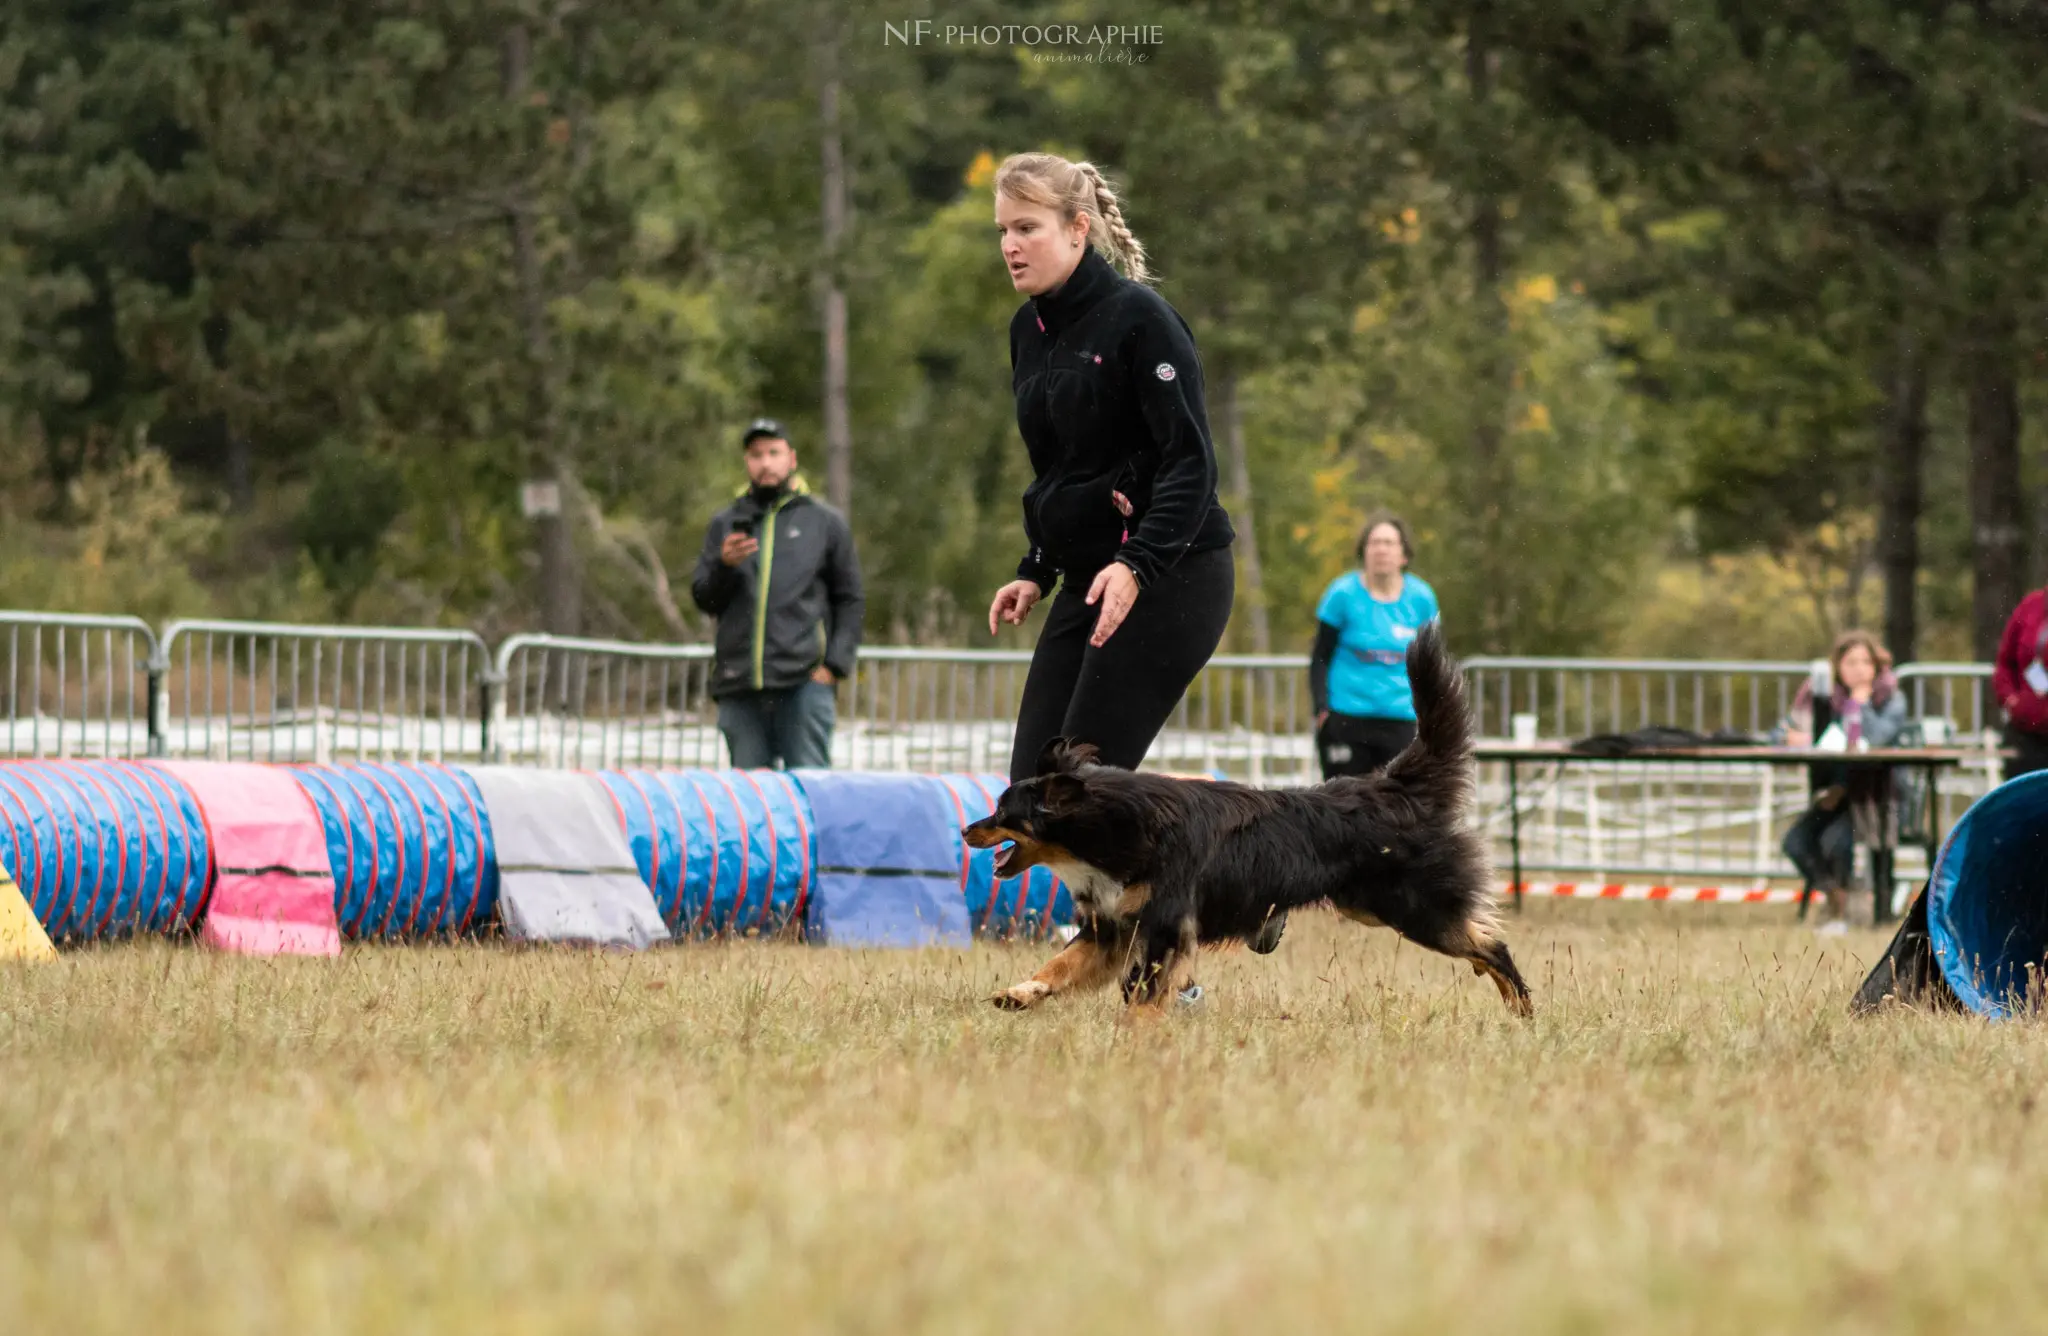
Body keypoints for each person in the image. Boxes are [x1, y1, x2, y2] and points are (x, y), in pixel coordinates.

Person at [983, 151, 1237, 787]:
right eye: (1003, 231)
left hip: (1172, 573)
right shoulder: (1028, 331)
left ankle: (1186, 884)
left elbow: (1191, 463)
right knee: (1033, 790)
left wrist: (1137, 564)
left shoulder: (1141, 319)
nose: (1010, 246)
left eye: (1027, 228)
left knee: (1082, 792)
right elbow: (1060, 468)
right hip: (1091, 577)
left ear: (1077, 227)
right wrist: (1038, 568)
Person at [690, 418, 864, 770]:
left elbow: (849, 598)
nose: (765, 462)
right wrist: (724, 566)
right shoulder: (725, 523)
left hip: (803, 686)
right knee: (752, 804)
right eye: (756, 455)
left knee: (810, 794)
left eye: (774, 452)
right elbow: (704, 599)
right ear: (746, 461)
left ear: (792, 459)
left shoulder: (824, 522)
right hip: (739, 687)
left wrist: (835, 665)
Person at [1771, 629, 1907, 933]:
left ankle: (1848, 911)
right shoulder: (1822, 696)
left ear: (1876, 666)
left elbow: (1876, 738)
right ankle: (1837, 898)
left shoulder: (1890, 698)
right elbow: (1782, 732)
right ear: (1837, 667)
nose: (1859, 669)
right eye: (1850, 662)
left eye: (1865, 662)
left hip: (1876, 799)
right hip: (1832, 794)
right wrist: (1794, 737)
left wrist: (1859, 705)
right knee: (1795, 842)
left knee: (1835, 842)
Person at [1309, 514, 1441, 780]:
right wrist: (1321, 710)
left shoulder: (1421, 599)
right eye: (1374, 542)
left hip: (1401, 719)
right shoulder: (1342, 595)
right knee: (1344, 806)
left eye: (1389, 543)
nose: (1381, 549)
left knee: (1402, 807)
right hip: (1347, 716)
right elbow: (1320, 657)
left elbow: (1433, 665)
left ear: (1404, 554)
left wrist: (1433, 717)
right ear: (1364, 551)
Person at [1992, 587, 2048, 779]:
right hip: (2025, 732)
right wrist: (2010, 699)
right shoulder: (2030, 606)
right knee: (2022, 801)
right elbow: (2004, 664)